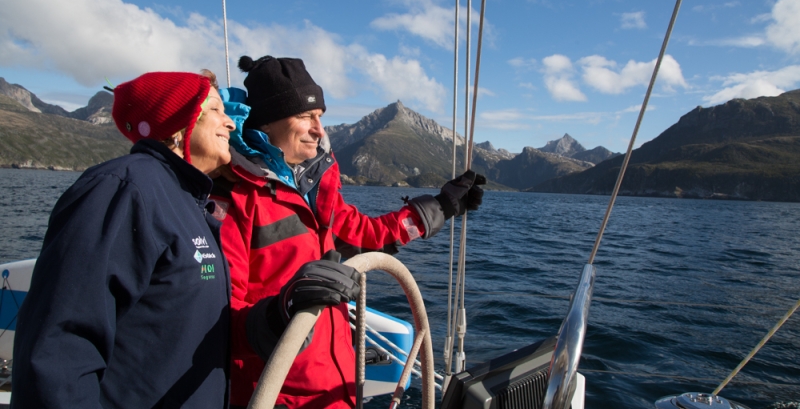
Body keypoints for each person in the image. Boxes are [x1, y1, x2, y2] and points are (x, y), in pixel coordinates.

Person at [211, 55, 486, 409]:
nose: (319, 130)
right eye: (306, 117)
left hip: (336, 389)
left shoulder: (313, 186)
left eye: (320, 117)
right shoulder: (234, 199)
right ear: (269, 123)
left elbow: (365, 236)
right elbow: (216, 321)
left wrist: (443, 207)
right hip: (277, 396)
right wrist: (280, 311)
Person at [12, 71, 236, 409]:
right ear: (178, 125)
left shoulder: (189, 202)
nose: (230, 124)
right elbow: (61, 345)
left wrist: (275, 314)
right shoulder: (124, 187)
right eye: (217, 110)